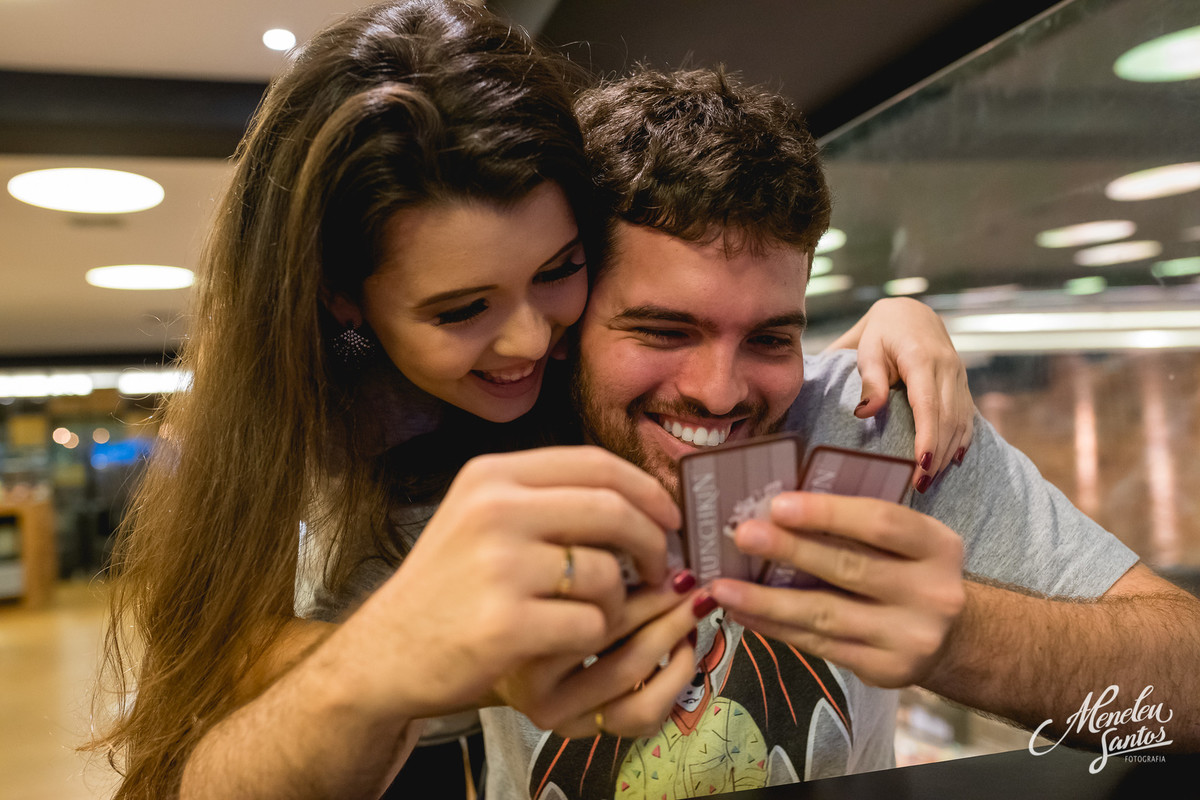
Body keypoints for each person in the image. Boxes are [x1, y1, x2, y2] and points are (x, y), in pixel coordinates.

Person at [86, 3, 977, 798]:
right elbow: (213, 702)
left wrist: (863, 335)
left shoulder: (579, 361)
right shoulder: (287, 438)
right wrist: (415, 656)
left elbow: (704, 340)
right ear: (343, 298)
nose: (531, 343)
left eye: (558, 272)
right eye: (461, 309)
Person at [478, 65, 1199, 797]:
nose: (720, 391)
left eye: (769, 338)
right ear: (567, 314)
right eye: (664, 331)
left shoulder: (874, 426)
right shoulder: (471, 456)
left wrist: (960, 637)